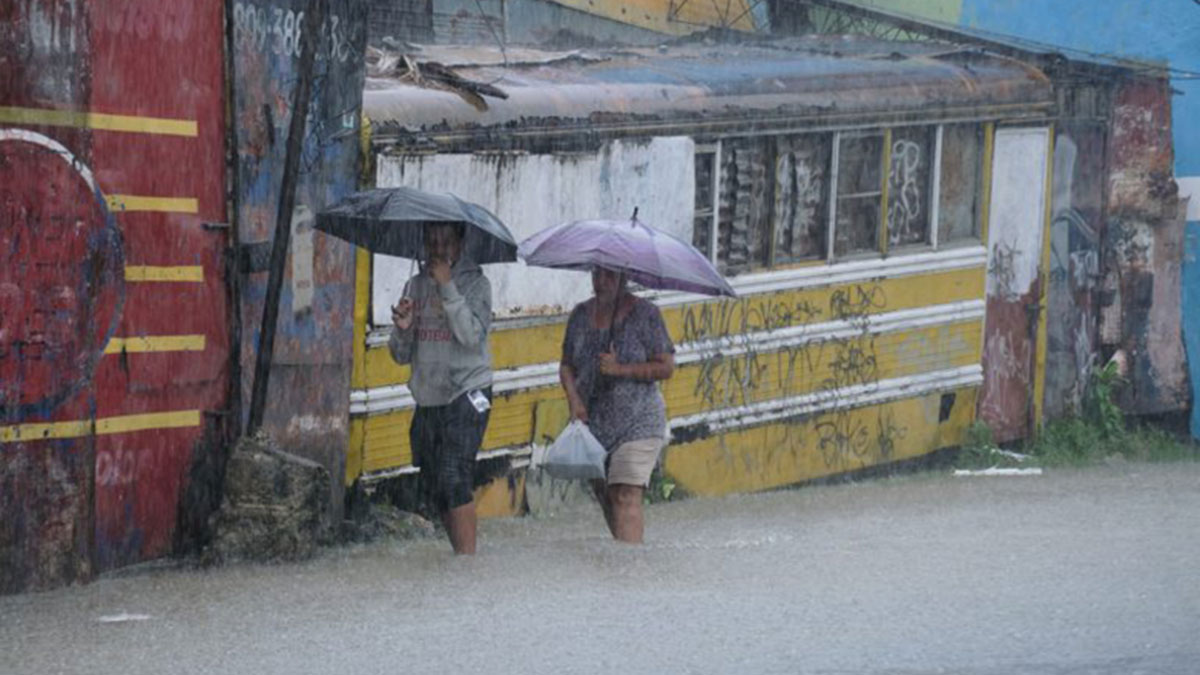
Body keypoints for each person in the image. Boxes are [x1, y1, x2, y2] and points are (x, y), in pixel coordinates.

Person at [389, 223, 493, 555]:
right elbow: (400, 354)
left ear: (460, 243)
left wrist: (448, 287)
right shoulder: (415, 286)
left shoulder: (477, 283)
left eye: (446, 240)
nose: (438, 248)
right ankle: (459, 556)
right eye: (432, 240)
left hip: (468, 391)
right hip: (430, 396)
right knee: (435, 486)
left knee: (454, 475)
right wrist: (403, 329)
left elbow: (471, 336)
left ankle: (467, 563)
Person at [559, 266, 675, 543]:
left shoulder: (646, 315)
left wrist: (620, 369)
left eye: (609, 275)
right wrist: (574, 401)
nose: (601, 282)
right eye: (596, 274)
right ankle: (624, 559)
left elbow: (666, 367)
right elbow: (566, 366)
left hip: (638, 423)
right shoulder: (580, 316)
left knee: (625, 494)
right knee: (608, 498)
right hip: (594, 425)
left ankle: (630, 573)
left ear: (624, 277)